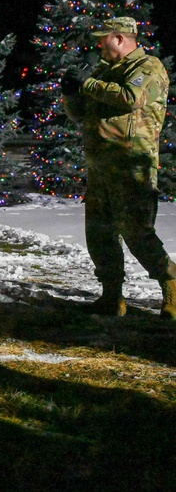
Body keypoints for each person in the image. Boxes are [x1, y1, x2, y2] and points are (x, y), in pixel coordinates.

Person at [61, 16, 176, 318]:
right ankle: (112, 297)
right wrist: (71, 93)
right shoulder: (103, 71)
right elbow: (79, 115)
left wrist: (88, 83)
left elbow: (131, 98)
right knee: (100, 233)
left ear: (121, 38)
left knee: (137, 232)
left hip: (132, 165)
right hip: (101, 166)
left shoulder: (148, 68)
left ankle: (171, 284)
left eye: (104, 38)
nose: (99, 44)